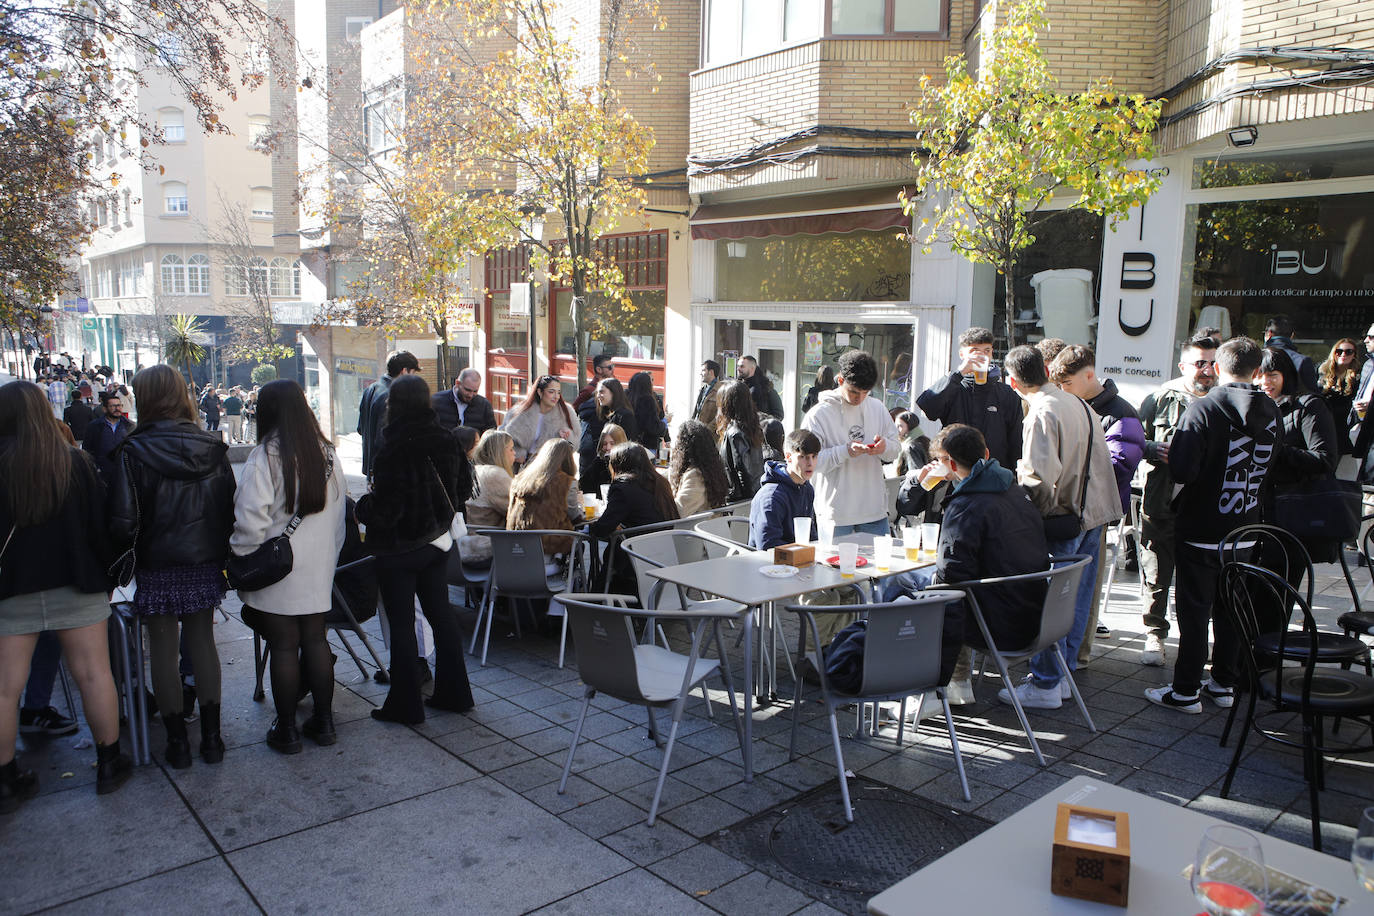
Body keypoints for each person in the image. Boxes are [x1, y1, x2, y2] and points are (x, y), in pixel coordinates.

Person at [0, 381, 132, 811]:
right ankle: (109, 762)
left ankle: (6, 779)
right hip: (76, 584)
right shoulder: (76, 464)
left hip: (10, 590)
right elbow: (101, 527)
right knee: (94, 675)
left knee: (4, 690)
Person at [109, 365, 235, 768]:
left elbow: (123, 521)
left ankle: (178, 743)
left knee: (161, 650)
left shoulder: (132, 451)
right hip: (203, 561)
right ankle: (212, 740)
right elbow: (228, 509)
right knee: (202, 644)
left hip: (156, 563)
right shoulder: (212, 446)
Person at [1145, 337, 1280, 714]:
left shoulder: (1204, 408)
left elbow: (1185, 468)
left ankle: (1186, 689)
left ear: (1217, 368)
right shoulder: (1272, 409)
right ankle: (1223, 683)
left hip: (1202, 527)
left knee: (1194, 611)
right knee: (1232, 609)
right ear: (1257, 372)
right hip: (1246, 528)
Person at [998, 345, 1120, 710]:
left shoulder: (1042, 411)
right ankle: (1061, 676)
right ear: (1047, 371)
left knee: (1053, 599)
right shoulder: (1077, 402)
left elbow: (1037, 480)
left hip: (1065, 517)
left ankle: (1048, 681)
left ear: (1013, 381)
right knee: (1076, 598)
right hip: (1094, 513)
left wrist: (1023, 517)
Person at [887, 424, 1049, 691]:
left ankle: (917, 685)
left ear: (949, 462)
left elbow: (950, 581)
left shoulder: (966, 505)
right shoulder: (1015, 491)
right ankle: (956, 681)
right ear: (985, 453)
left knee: (897, 584)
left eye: (939, 460)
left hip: (996, 621)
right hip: (1033, 612)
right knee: (929, 582)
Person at [231, 380, 347, 753]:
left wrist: (243, 555)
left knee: (283, 645)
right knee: (315, 640)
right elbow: (341, 515)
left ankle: (286, 729)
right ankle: (325, 723)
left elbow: (250, 519)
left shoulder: (265, 455)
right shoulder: (328, 453)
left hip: (278, 567)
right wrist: (328, 557)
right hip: (317, 567)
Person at [356, 375, 474, 725]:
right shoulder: (446, 439)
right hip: (438, 542)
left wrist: (361, 508)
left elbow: (386, 509)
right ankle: (456, 694)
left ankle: (406, 704)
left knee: (402, 623)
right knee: (441, 614)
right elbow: (463, 490)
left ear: (394, 404)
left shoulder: (392, 446)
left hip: (399, 550)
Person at [1050, 344, 1147, 654]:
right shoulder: (1075, 405)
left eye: (1067, 383)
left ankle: (1075, 657)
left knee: (1082, 593)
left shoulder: (1121, 411)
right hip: (1071, 509)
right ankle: (1064, 660)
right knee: (1069, 589)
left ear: (1089, 375)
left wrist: (1069, 471)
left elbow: (1120, 465)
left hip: (1093, 513)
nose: (1063, 390)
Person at [1136, 335, 1217, 666]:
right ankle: (1154, 634)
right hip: (1162, 500)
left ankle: (1195, 639)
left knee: (1199, 575)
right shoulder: (1160, 398)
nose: (1208, 370)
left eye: (1214, 362)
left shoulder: (1225, 401)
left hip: (1206, 504)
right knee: (1156, 569)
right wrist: (1155, 449)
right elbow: (1132, 440)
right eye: (1200, 363)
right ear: (1184, 366)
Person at [801, 349, 900, 537]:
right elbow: (809, 463)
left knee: (879, 566)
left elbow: (895, 450)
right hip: (835, 513)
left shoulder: (877, 407)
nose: (859, 398)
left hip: (873, 511)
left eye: (865, 392)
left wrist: (884, 446)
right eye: (854, 391)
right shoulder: (818, 415)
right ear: (840, 381)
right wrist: (845, 451)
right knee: (833, 567)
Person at [1258, 347, 1340, 566]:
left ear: (1286, 376)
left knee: (1279, 588)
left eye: (1272, 375)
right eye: (1260, 375)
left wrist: (1278, 450)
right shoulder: (1252, 406)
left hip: (1291, 513)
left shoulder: (1307, 406)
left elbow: (1325, 459)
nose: (1265, 382)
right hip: (1254, 513)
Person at [917, 326, 1022, 469]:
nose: (981, 356)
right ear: (962, 354)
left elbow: (1016, 440)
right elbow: (928, 407)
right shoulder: (953, 387)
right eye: (975, 351)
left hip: (995, 473)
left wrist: (1013, 476)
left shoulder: (1005, 393)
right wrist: (960, 373)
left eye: (987, 351)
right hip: (957, 472)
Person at [589, 441, 679, 594]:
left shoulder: (623, 487)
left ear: (617, 465)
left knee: (610, 546)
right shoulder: (660, 482)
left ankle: (596, 598)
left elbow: (602, 528)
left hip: (635, 558)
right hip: (665, 553)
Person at [507, 438, 582, 561]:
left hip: (517, 547)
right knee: (579, 545)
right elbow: (575, 517)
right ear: (568, 460)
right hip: (550, 547)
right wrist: (580, 506)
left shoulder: (520, 479)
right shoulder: (567, 482)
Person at [748, 428, 819, 550]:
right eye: (804, 457)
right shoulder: (771, 496)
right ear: (788, 457)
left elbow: (810, 536)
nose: (810, 463)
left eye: (814, 456)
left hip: (800, 559)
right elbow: (767, 546)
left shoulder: (807, 489)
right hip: (768, 564)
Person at [357, 351, 420, 478]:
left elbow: (360, 429)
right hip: (386, 472)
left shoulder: (371, 388)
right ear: (404, 371)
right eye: (413, 373)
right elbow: (384, 438)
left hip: (373, 467)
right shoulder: (393, 396)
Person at [459, 430, 517, 564]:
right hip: (485, 548)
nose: (515, 453)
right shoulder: (494, 474)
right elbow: (517, 511)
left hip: (466, 544)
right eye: (511, 449)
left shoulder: (477, 470)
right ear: (500, 452)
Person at [503, 374, 578, 466]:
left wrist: (566, 437)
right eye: (551, 392)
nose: (556, 396)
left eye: (558, 392)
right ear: (539, 392)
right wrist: (518, 453)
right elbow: (503, 437)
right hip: (520, 466)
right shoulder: (519, 411)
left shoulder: (566, 412)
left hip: (550, 466)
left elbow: (575, 444)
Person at [576, 377, 635, 493]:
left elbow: (628, 446)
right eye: (597, 392)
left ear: (614, 393)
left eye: (602, 392)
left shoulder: (624, 416)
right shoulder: (608, 415)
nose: (598, 395)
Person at [715, 379, 764, 503]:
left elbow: (743, 471)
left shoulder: (735, 433)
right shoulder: (751, 427)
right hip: (753, 495)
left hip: (740, 501)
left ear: (727, 404)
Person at [669, 419, 730, 517]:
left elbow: (679, 511)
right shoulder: (711, 470)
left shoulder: (695, 476)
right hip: (710, 528)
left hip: (694, 530)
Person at [1317, 338, 1359, 452]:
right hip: (1323, 427)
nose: (1343, 354)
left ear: (1354, 355)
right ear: (1334, 353)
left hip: (1344, 430)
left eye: (1348, 352)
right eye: (1339, 351)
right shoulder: (1321, 371)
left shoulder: (1357, 377)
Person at [82, 390, 133, 480]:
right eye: (113, 406)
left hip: (125, 473)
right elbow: (87, 449)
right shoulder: (94, 426)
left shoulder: (129, 426)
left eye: (119, 405)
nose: (117, 408)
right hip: (102, 473)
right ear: (105, 409)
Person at [1263, 315, 1319, 395]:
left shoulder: (1256, 358)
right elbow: (1313, 393)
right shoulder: (1303, 361)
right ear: (1292, 336)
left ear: (1269, 334)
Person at [433, 368, 496, 434]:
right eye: (467, 390)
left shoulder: (484, 405)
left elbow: (491, 435)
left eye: (475, 391)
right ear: (457, 383)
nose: (471, 395)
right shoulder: (437, 401)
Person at [627, 371, 664, 454]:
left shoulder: (628, 398)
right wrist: (664, 424)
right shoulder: (647, 400)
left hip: (630, 443)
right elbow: (653, 426)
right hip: (647, 444)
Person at [892, 409, 928, 477]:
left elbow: (915, 474)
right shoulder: (925, 440)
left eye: (900, 426)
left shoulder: (910, 446)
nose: (896, 430)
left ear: (910, 426)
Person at [693, 360, 721, 427]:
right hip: (697, 430)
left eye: (703, 370)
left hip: (709, 435)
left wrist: (707, 431)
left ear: (711, 372)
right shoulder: (703, 389)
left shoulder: (720, 390)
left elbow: (720, 416)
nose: (701, 373)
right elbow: (697, 412)